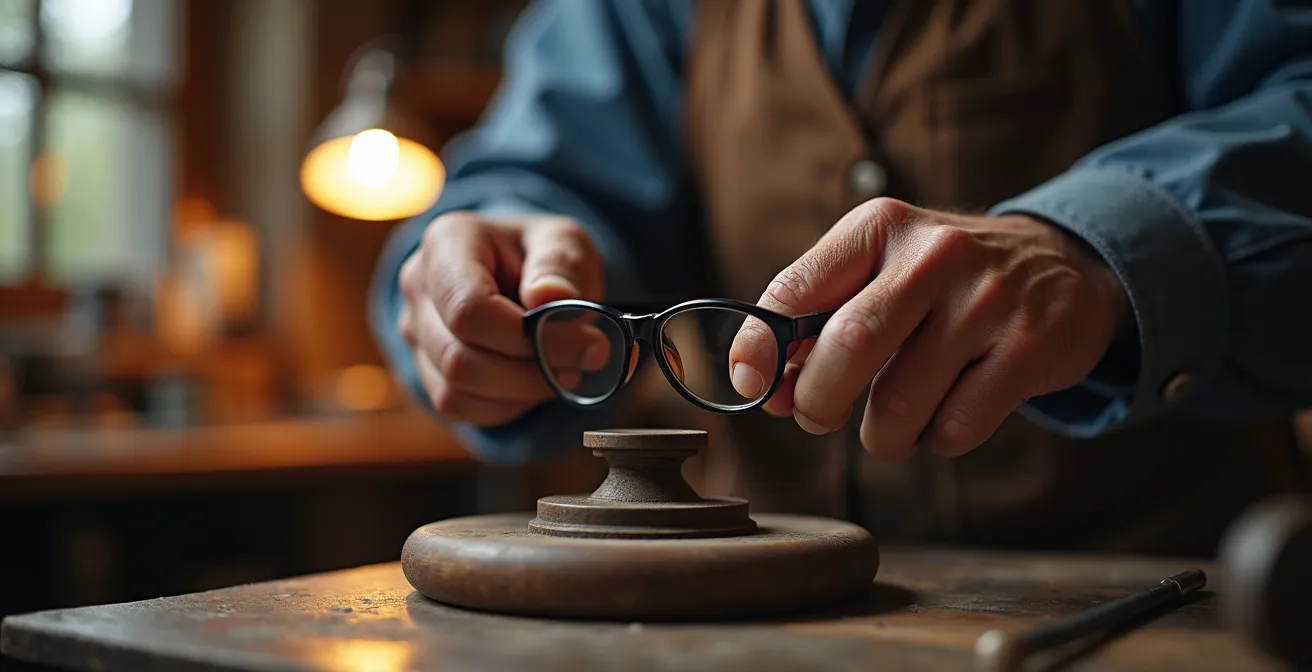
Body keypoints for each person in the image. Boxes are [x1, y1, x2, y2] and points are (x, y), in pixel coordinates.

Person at [371, 0, 1312, 555]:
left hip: (1165, 605)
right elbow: (549, 172)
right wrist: (488, 269)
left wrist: (1102, 252)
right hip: (755, 630)